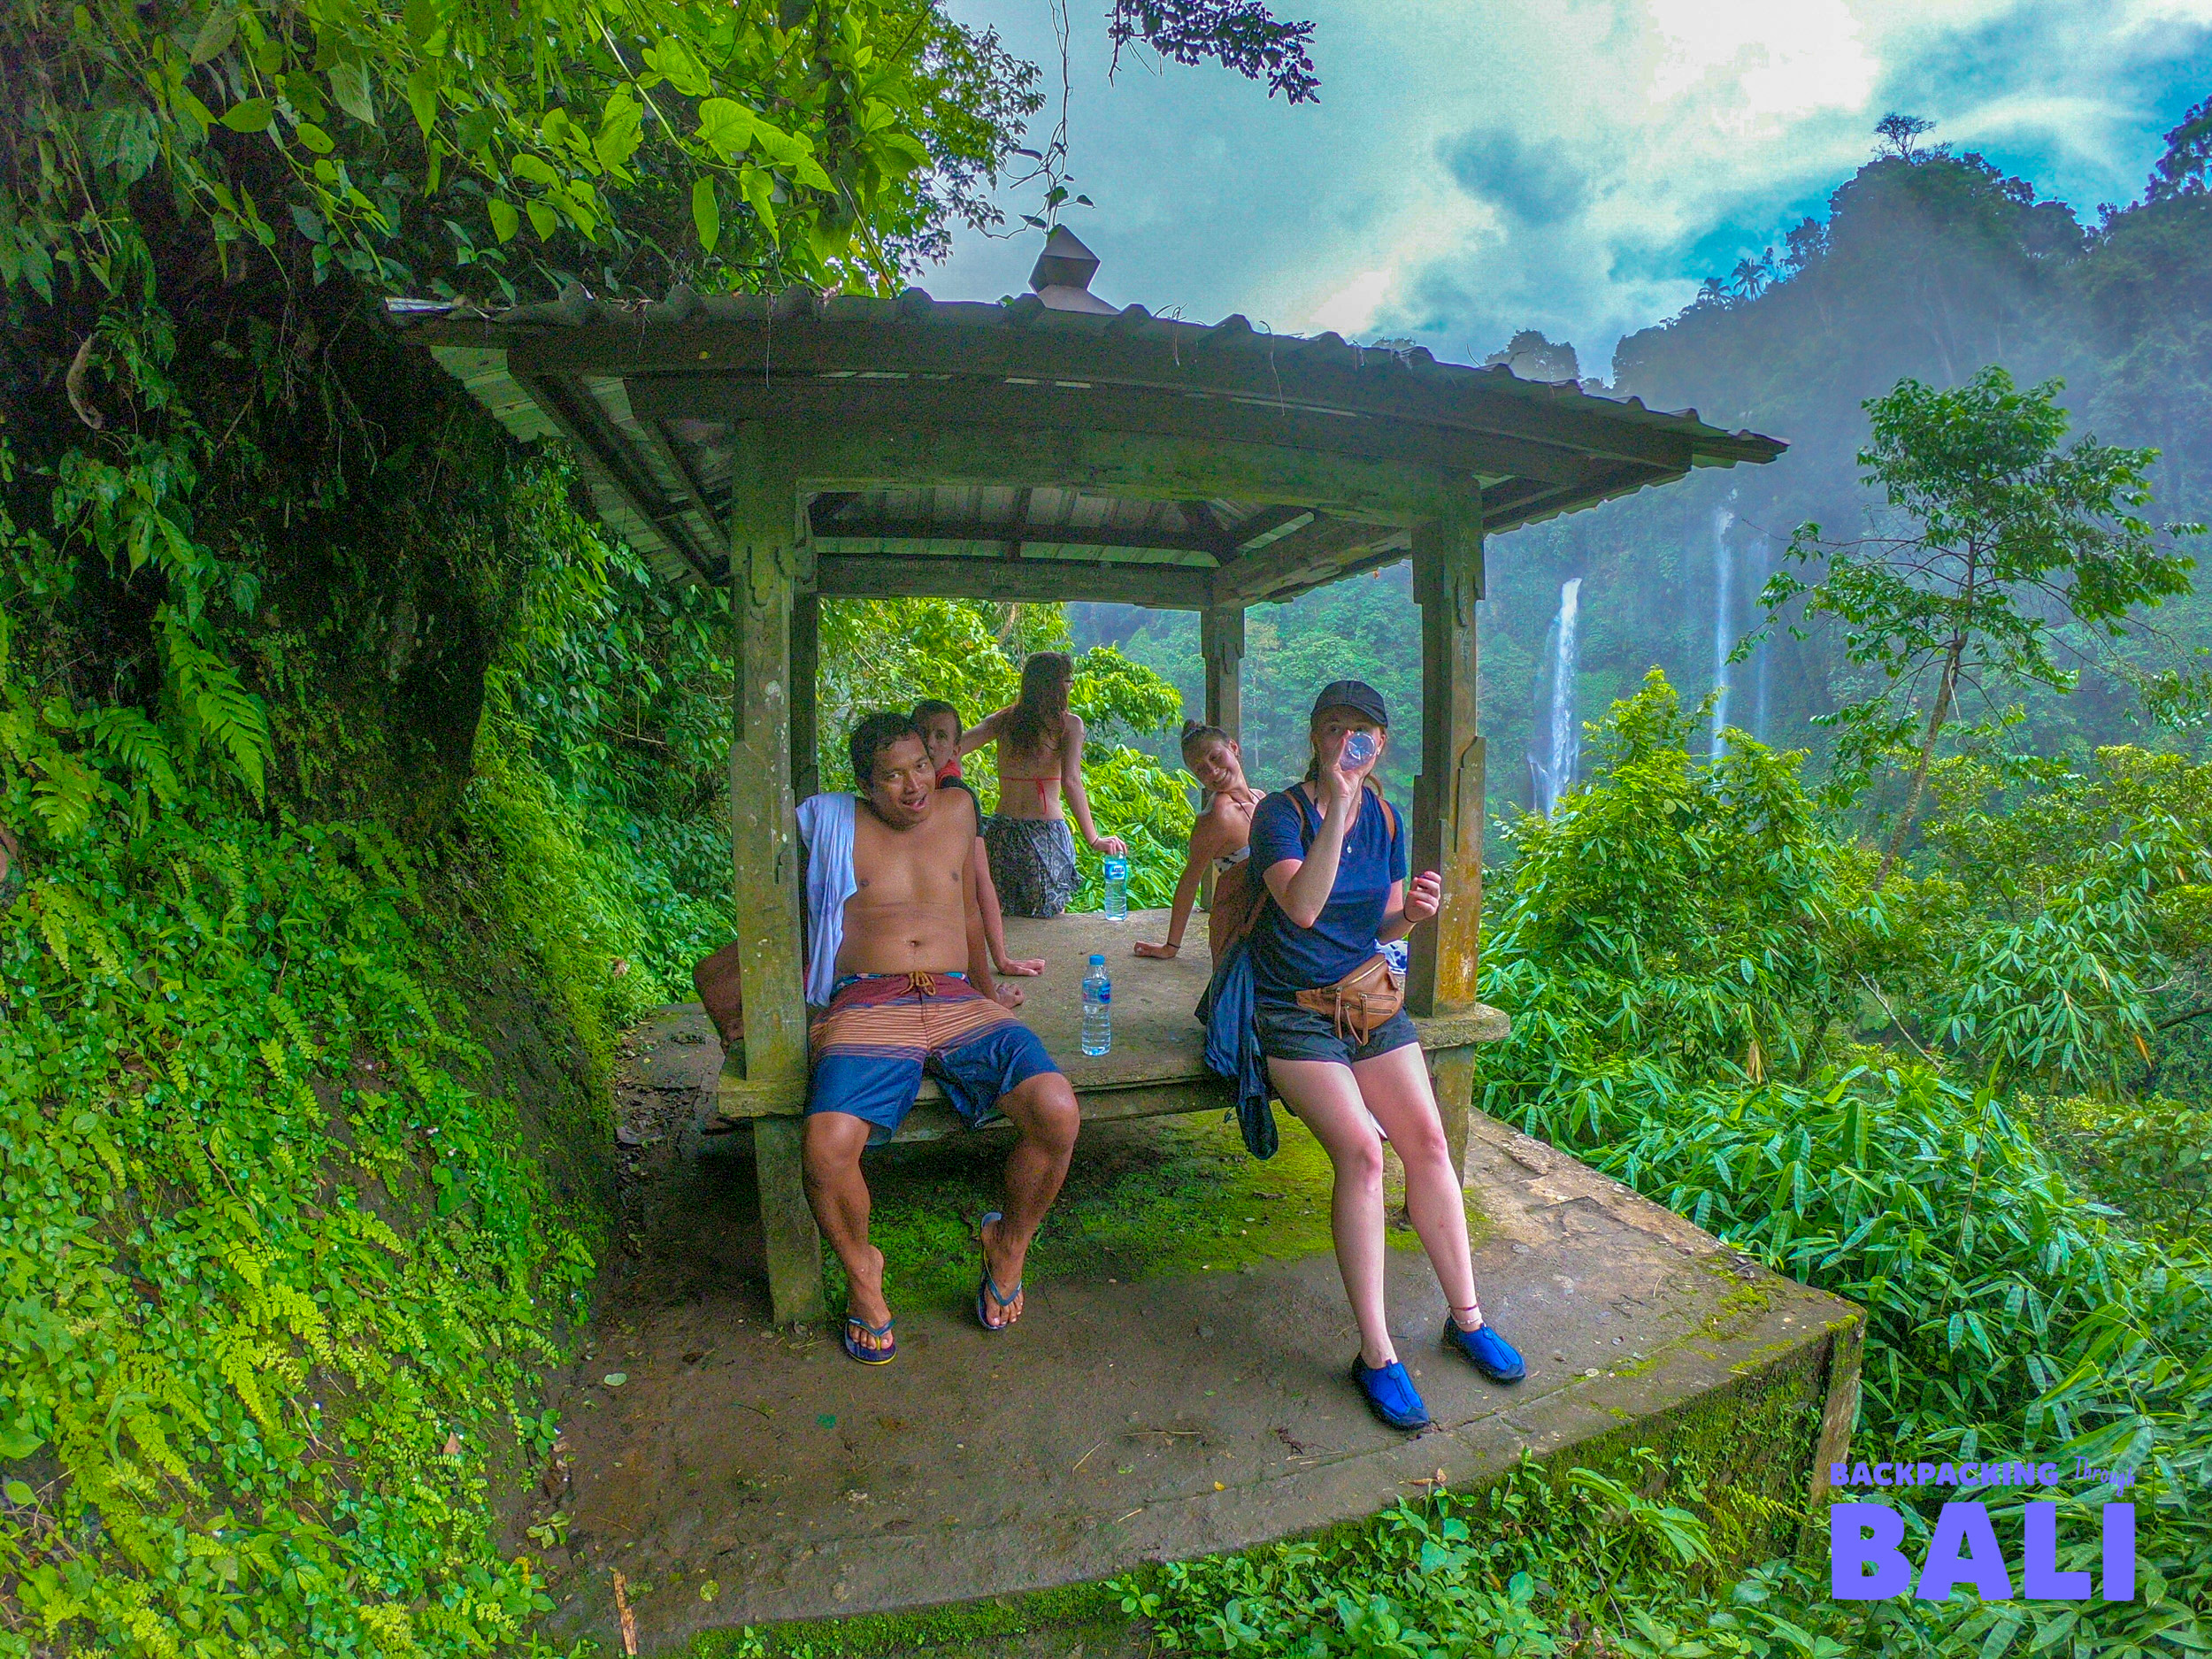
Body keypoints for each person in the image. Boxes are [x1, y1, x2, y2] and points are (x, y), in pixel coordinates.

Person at [1248, 680, 1525, 1431]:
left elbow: (1380, 925)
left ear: (1381, 742)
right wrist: (1337, 806)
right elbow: (1302, 908)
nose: (1348, 743)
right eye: (1334, 729)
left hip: (1366, 1002)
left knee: (1429, 1141)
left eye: (1362, 732)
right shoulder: (1281, 813)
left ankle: (1465, 1317)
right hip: (1294, 1012)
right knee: (1364, 1155)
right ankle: (1375, 1354)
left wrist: (1414, 912)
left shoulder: (1389, 816)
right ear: (1315, 736)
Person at [799, 711, 1082, 1364]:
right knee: (825, 1146)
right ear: (864, 787)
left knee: (1058, 1110)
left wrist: (988, 990)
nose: (912, 785)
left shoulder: (959, 810)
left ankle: (1007, 1243)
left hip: (956, 996)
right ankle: (863, 1273)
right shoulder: (836, 824)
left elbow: (968, 909)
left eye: (920, 766)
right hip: (870, 997)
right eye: (891, 776)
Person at [957, 652, 1126, 918]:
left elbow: (955, 749)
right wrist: (1093, 839)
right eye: (1069, 680)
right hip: (1045, 835)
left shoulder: (1005, 720)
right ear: (1059, 684)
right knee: (1046, 916)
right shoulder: (1068, 725)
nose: (1071, 685)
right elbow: (1071, 781)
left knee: (1001, 915)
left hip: (1002, 832)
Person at [913, 698, 1046, 979]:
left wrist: (1001, 959)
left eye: (940, 736)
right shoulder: (899, 789)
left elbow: (981, 879)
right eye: (921, 733)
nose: (930, 743)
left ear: (956, 749)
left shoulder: (956, 795)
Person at [1133, 720, 1261, 963]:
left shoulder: (1261, 799)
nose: (1213, 771)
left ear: (1233, 747)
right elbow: (1191, 878)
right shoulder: (1217, 816)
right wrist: (1171, 946)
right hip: (1245, 930)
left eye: (1215, 757)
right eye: (1201, 769)